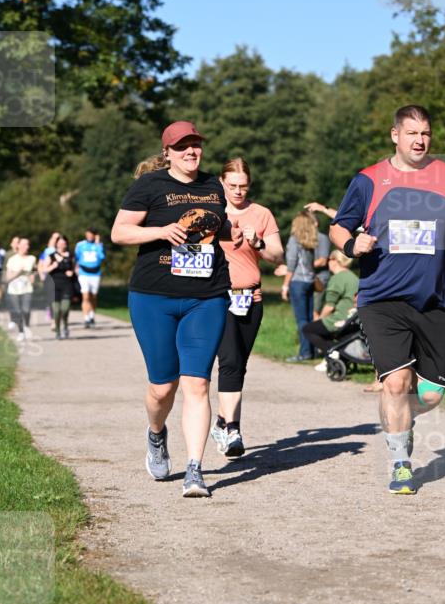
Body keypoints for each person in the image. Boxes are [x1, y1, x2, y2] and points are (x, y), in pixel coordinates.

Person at [330, 104, 445, 495]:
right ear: (395, 135)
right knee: (396, 384)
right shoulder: (370, 180)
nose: (419, 140)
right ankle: (400, 462)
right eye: (412, 133)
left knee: (429, 394)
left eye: (425, 133)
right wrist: (352, 243)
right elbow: (338, 227)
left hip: (434, 301)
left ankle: (401, 421)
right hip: (382, 297)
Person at [111, 121, 242, 498]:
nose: (191, 151)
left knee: (198, 382)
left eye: (195, 145)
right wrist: (161, 231)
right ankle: (156, 435)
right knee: (161, 386)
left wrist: (238, 233)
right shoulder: (149, 186)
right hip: (154, 297)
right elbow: (120, 232)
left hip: (208, 295)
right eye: (182, 146)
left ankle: (195, 470)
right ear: (166, 152)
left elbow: (218, 228)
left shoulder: (213, 187)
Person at [211, 157, 284, 458]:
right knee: (228, 362)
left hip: (250, 299)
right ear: (221, 183)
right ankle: (233, 430)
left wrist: (258, 243)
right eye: (232, 186)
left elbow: (277, 256)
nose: (238, 191)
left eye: (243, 186)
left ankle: (220, 422)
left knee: (238, 364)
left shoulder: (261, 213)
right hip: (219, 298)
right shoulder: (212, 212)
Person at [302, 250, 359, 369]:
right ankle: (332, 356)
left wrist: (320, 319)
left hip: (341, 317)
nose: (328, 262)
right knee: (323, 331)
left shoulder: (337, 278)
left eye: (329, 259)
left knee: (308, 329)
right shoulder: (353, 277)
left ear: (335, 261)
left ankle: (332, 352)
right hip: (354, 318)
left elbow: (330, 306)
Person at [282, 209, 320, 362]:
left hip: (298, 282)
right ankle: (312, 349)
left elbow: (291, 265)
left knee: (302, 319)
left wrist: (285, 286)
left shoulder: (294, 240)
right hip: (309, 282)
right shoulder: (310, 242)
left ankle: (304, 353)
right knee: (309, 318)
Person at [305, 201, 337, 319]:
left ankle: (315, 335)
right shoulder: (303, 240)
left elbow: (323, 261)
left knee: (315, 311)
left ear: (316, 224)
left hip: (319, 281)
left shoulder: (322, 238)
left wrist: (303, 266)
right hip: (307, 278)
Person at [41, 234, 75, 339]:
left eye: (64, 243)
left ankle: (65, 325)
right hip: (54, 285)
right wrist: (53, 266)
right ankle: (58, 331)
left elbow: (76, 268)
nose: (62, 245)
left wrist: (72, 272)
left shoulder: (71, 256)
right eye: (60, 243)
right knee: (56, 311)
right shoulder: (51, 256)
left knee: (65, 308)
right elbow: (43, 269)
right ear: (56, 244)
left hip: (67, 285)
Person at [5, 237, 37, 342]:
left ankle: (26, 325)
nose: (26, 247)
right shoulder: (12, 260)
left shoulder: (32, 258)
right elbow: (7, 277)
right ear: (18, 246)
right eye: (24, 244)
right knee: (18, 311)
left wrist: (33, 276)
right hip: (14, 289)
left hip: (27, 288)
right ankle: (21, 332)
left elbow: (34, 271)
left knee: (26, 310)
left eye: (27, 244)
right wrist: (18, 272)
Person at [74, 229, 106, 328]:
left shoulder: (99, 245)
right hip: (83, 273)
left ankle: (92, 315)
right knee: (85, 296)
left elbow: (102, 257)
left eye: (92, 234)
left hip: (95, 274)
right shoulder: (80, 245)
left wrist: (97, 244)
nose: (89, 236)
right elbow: (76, 257)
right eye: (88, 234)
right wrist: (75, 268)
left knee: (93, 296)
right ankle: (86, 318)